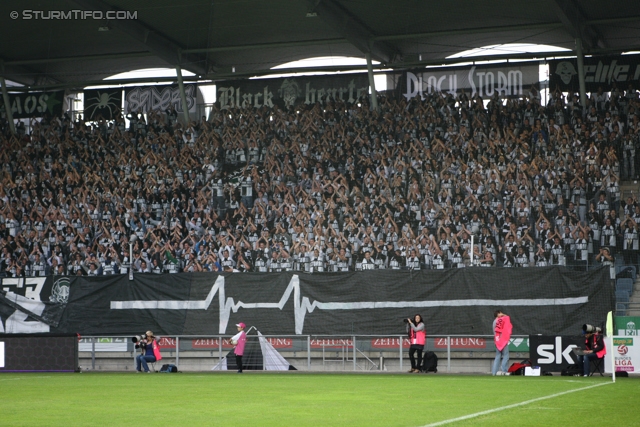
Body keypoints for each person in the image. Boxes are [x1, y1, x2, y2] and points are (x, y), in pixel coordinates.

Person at [492, 310, 512, 376]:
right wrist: (504, 315)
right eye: (501, 313)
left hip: (497, 340)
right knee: (506, 355)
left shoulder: (494, 321)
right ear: (498, 314)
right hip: (502, 340)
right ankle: (504, 371)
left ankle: (494, 372)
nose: (502, 314)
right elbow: (507, 322)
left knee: (497, 356)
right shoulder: (501, 320)